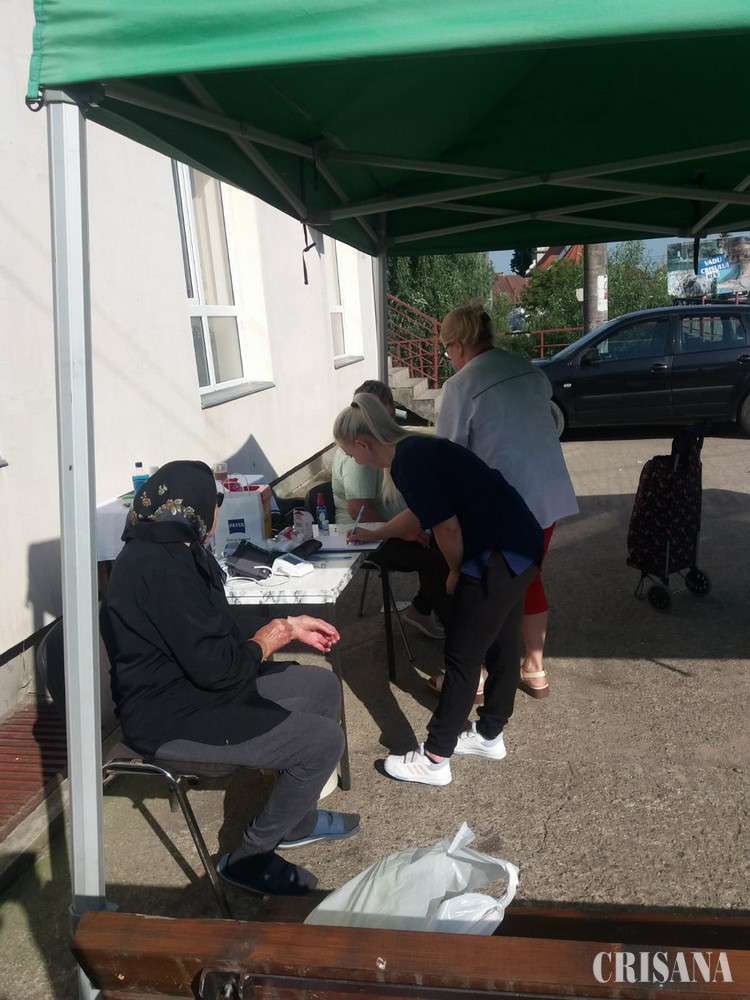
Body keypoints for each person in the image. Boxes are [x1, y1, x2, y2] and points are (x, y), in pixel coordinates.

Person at [100, 460, 359, 896]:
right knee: (322, 742)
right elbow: (218, 668)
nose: (218, 510)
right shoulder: (161, 568)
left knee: (321, 686)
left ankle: (297, 822)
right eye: (216, 501)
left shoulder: (173, 549)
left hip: (198, 688)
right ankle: (249, 859)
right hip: (171, 717)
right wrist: (269, 639)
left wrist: (288, 626)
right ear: (197, 508)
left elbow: (213, 635)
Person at [334, 394, 543, 785]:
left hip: (496, 555)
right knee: (501, 644)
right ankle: (489, 735)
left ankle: (434, 759)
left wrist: (455, 570)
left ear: (363, 443)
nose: (354, 461)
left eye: (350, 454)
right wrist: (377, 533)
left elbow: (445, 527)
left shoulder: (408, 461)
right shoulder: (416, 449)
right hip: (522, 544)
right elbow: (423, 512)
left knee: (462, 656)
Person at [435, 302, 578, 699]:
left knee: (483, 587)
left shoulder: (461, 385)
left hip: (503, 503)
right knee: (529, 577)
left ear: (458, 344)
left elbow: (447, 456)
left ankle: (477, 675)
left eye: (447, 349)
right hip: (546, 494)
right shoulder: (529, 369)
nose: (449, 357)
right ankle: (534, 668)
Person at [332, 379, 445, 640]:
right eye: (382, 406)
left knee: (449, 546)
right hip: (364, 533)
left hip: (394, 527)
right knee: (436, 560)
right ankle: (434, 615)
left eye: (391, 403)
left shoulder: (389, 445)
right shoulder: (360, 455)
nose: (391, 411)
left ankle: (426, 609)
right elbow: (358, 511)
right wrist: (405, 533)